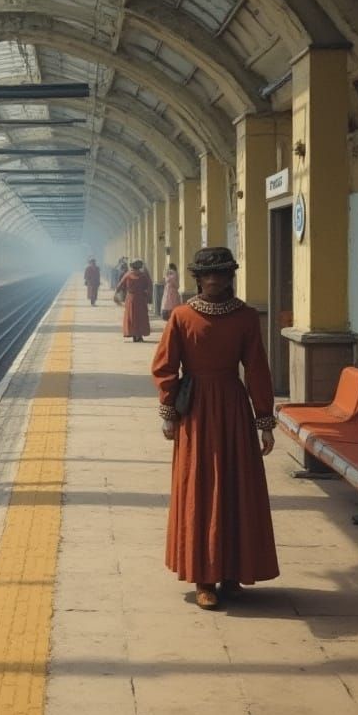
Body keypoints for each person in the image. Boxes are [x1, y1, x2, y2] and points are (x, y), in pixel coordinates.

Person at [151, 247, 279, 611]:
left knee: (237, 485)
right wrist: (167, 412)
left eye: (222, 274)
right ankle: (203, 578)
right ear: (197, 278)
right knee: (201, 487)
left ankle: (233, 572)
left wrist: (264, 420)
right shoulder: (181, 316)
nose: (215, 280)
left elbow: (256, 368)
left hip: (234, 408)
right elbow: (165, 367)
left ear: (230, 276)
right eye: (209, 275)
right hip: (196, 413)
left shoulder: (246, 317)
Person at [115, 259, 152, 341]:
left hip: (131, 298)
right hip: (141, 298)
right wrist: (148, 296)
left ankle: (134, 334)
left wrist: (116, 294)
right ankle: (139, 335)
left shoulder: (128, 275)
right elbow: (149, 284)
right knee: (141, 317)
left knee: (132, 316)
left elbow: (120, 285)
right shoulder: (143, 275)